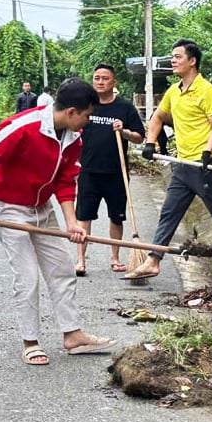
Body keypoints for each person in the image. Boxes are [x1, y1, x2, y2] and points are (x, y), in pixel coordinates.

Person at [0, 79, 116, 365]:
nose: (88, 122)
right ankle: (30, 341)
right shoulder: (22, 127)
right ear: (72, 111)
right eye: (87, 115)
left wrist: (72, 222)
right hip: (8, 207)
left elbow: (65, 180)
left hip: (41, 206)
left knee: (61, 269)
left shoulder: (74, 138)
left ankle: (72, 335)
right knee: (27, 276)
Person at [123, 39, 212, 280]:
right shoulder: (174, 92)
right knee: (170, 211)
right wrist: (150, 142)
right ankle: (154, 261)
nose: (173, 61)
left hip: (203, 164)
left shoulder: (207, 90)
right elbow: (156, 117)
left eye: (177, 57)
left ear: (192, 61)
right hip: (183, 164)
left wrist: (208, 150)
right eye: (172, 57)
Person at [74, 66, 145, 275]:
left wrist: (124, 132)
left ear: (114, 83)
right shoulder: (86, 106)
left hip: (116, 172)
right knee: (83, 217)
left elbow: (139, 136)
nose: (100, 82)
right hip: (88, 171)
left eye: (105, 78)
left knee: (116, 217)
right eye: (97, 78)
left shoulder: (125, 108)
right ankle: (80, 260)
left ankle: (115, 258)